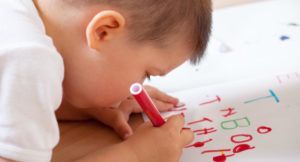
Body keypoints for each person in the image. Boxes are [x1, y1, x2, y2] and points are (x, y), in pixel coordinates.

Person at [0, 0, 212, 161]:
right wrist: (137, 155)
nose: (140, 84)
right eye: (146, 73)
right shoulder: (30, 59)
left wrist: (82, 108)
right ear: (103, 31)